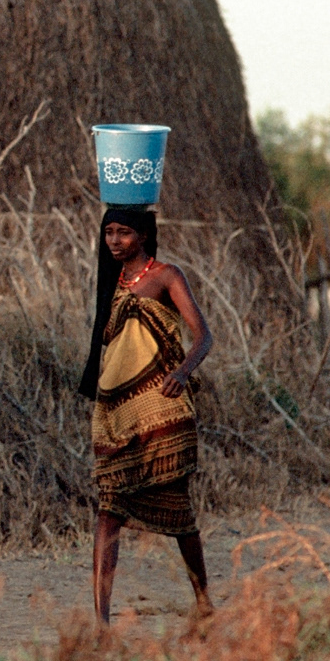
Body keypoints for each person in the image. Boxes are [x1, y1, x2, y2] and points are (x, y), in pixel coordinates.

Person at [80, 207, 215, 624]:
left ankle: (204, 605)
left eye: (123, 233)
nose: (114, 241)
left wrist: (183, 370)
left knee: (179, 514)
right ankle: (101, 622)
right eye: (108, 233)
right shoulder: (111, 284)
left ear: (143, 236)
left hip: (162, 408)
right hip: (116, 412)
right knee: (109, 508)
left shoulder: (167, 276)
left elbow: (203, 335)